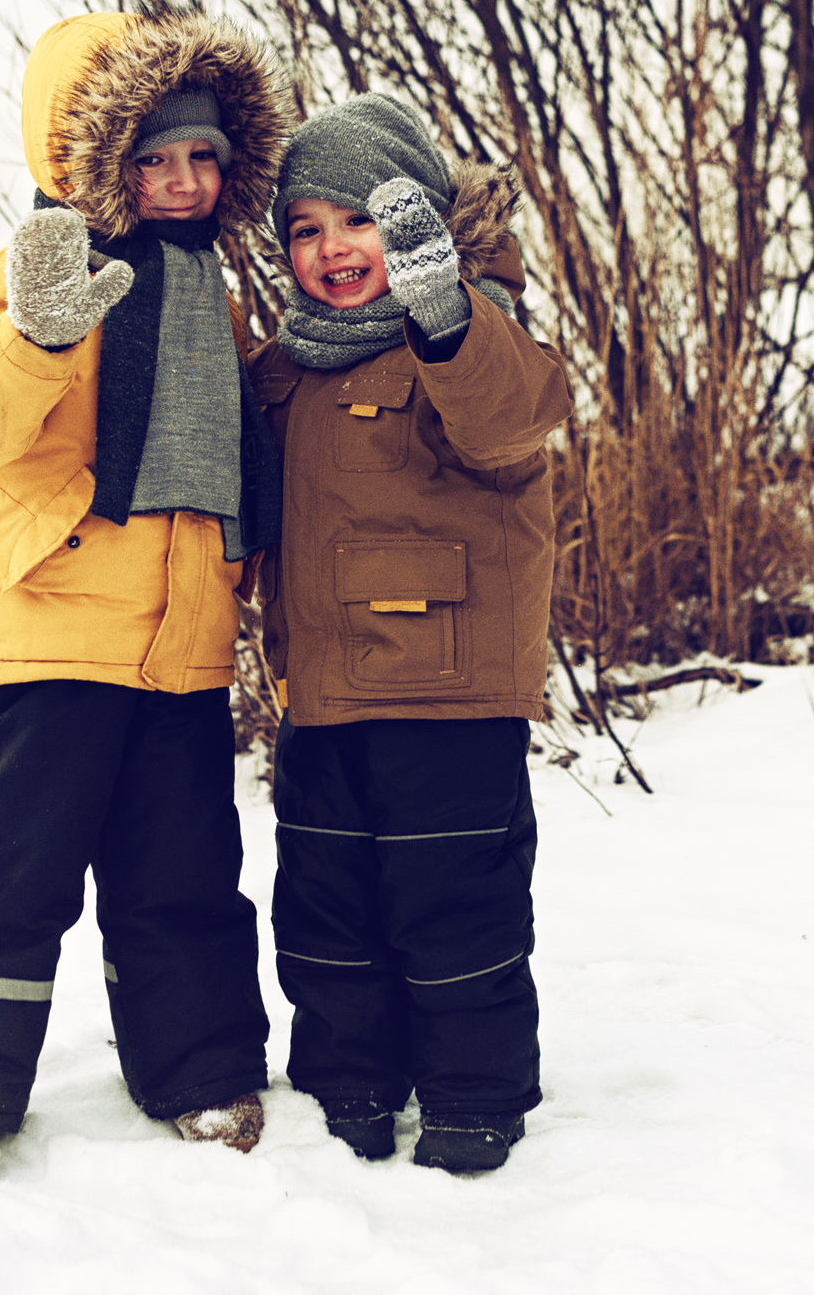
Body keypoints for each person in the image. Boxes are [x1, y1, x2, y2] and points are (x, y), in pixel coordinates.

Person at [0, 10, 288, 1192]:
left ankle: (202, 1070)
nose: (179, 180)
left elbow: (229, 469)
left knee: (183, 876)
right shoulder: (36, 268)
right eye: (152, 157)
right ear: (94, 158)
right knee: (3, 881)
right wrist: (42, 330)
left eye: (201, 156)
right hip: (50, 635)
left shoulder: (215, 295)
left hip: (179, 648)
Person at [249, 92, 570, 1174]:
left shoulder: (470, 335)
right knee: (327, 909)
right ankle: (351, 1079)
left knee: (455, 911)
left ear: (422, 229)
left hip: (447, 690)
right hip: (322, 692)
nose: (334, 249)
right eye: (307, 228)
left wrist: (446, 314)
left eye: (361, 221)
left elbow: (514, 419)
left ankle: (476, 1094)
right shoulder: (287, 363)